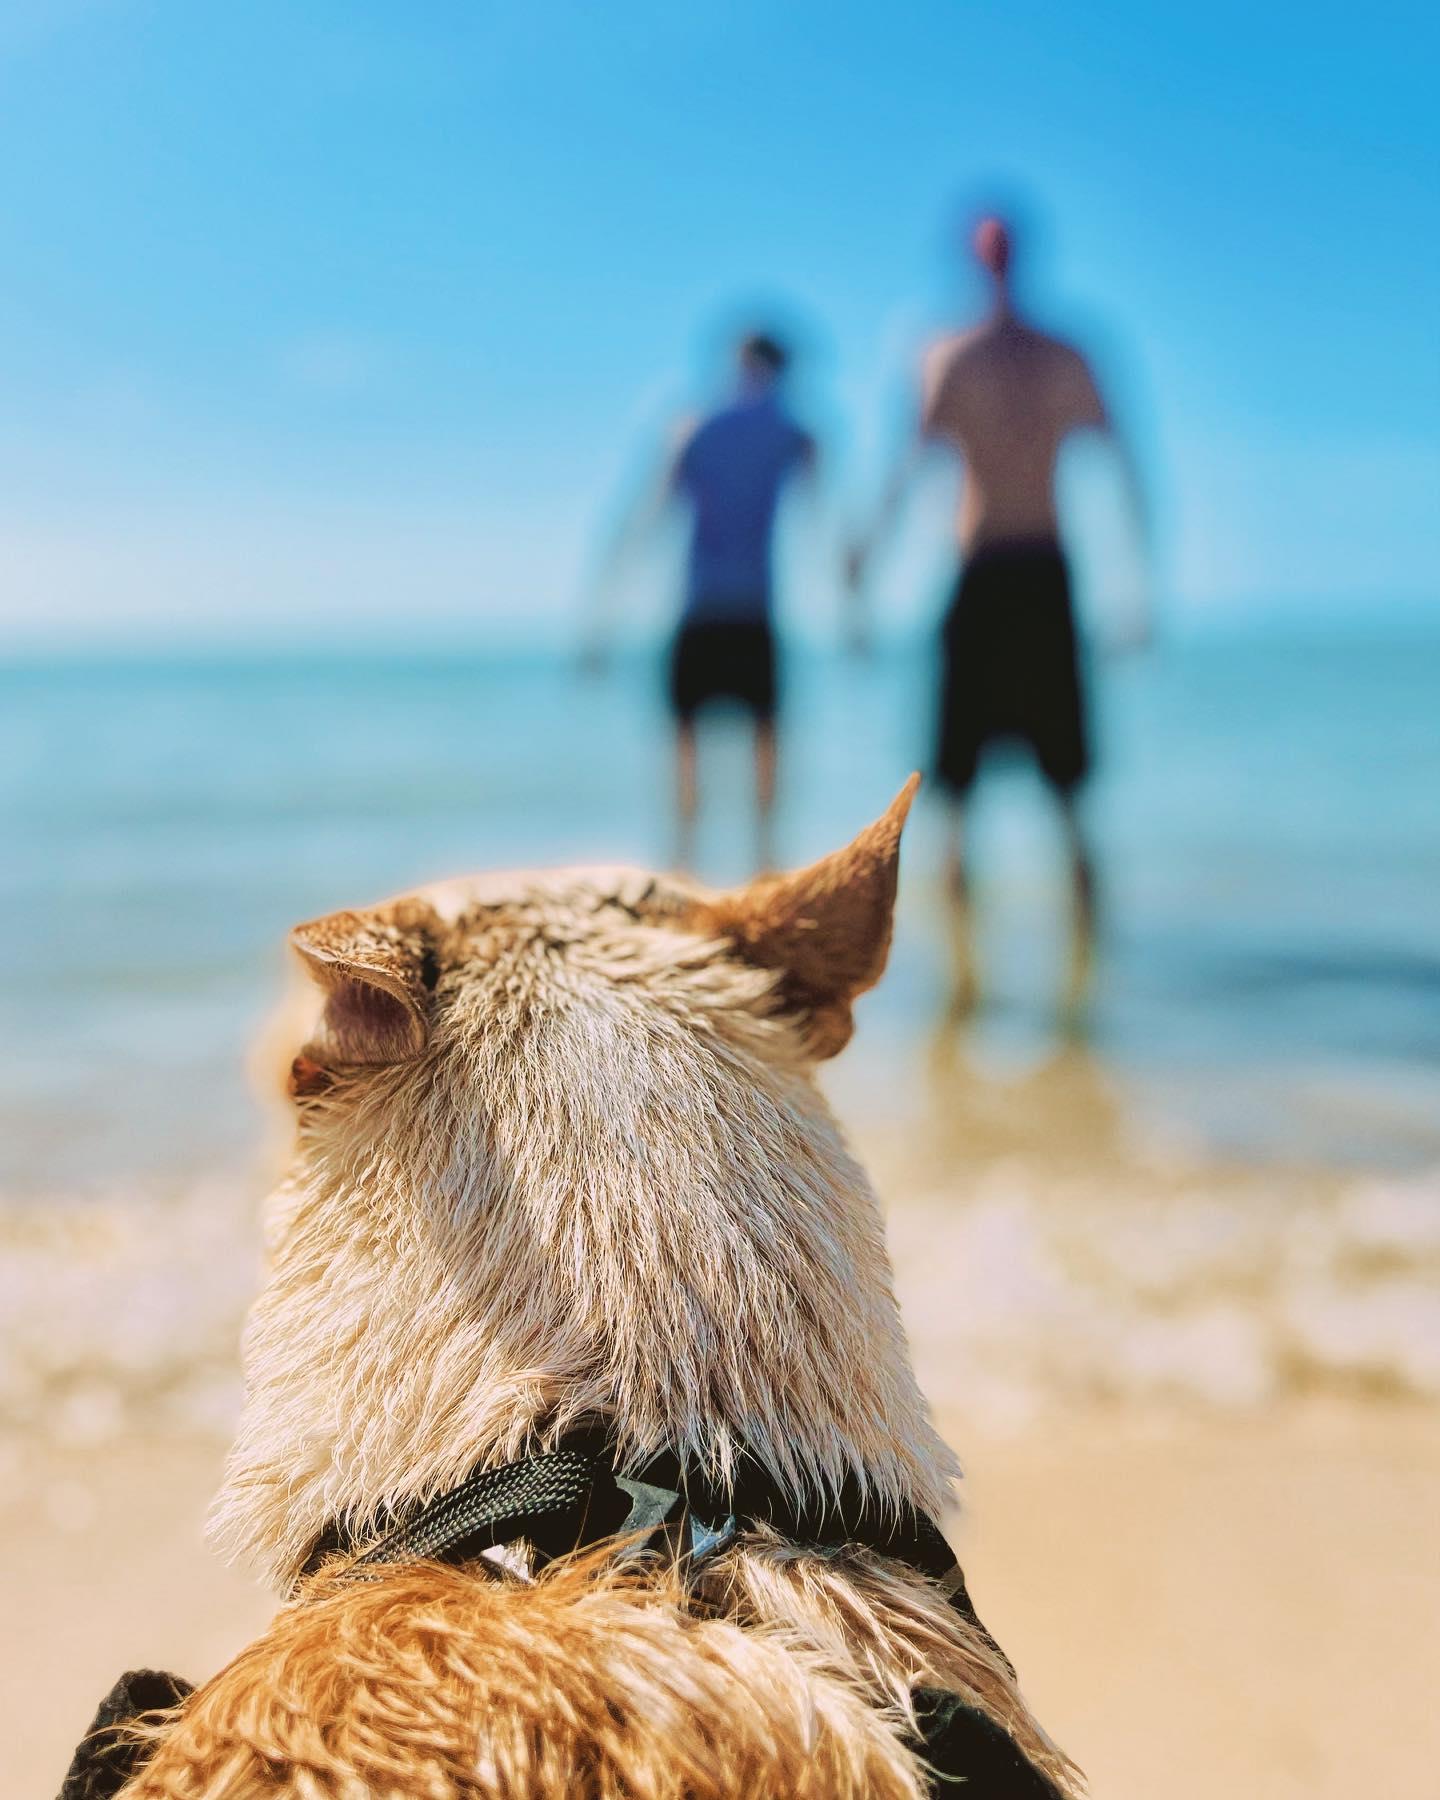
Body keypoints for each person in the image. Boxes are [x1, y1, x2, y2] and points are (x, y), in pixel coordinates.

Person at [847, 209, 1150, 1017]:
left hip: (1045, 573)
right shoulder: (947, 351)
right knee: (952, 793)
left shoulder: (1065, 354)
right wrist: (865, 565)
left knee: (1069, 792)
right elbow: (906, 464)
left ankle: (1089, 990)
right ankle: (963, 986)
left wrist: (1138, 586)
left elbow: (1124, 463)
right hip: (979, 574)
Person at [587, 331, 817, 871]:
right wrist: (855, 602)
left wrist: (601, 615)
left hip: (703, 607)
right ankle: (765, 868)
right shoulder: (791, 430)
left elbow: (645, 515)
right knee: (763, 742)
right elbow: (824, 510)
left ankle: (684, 868)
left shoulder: (692, 424)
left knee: (687, 748)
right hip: (754, 610)